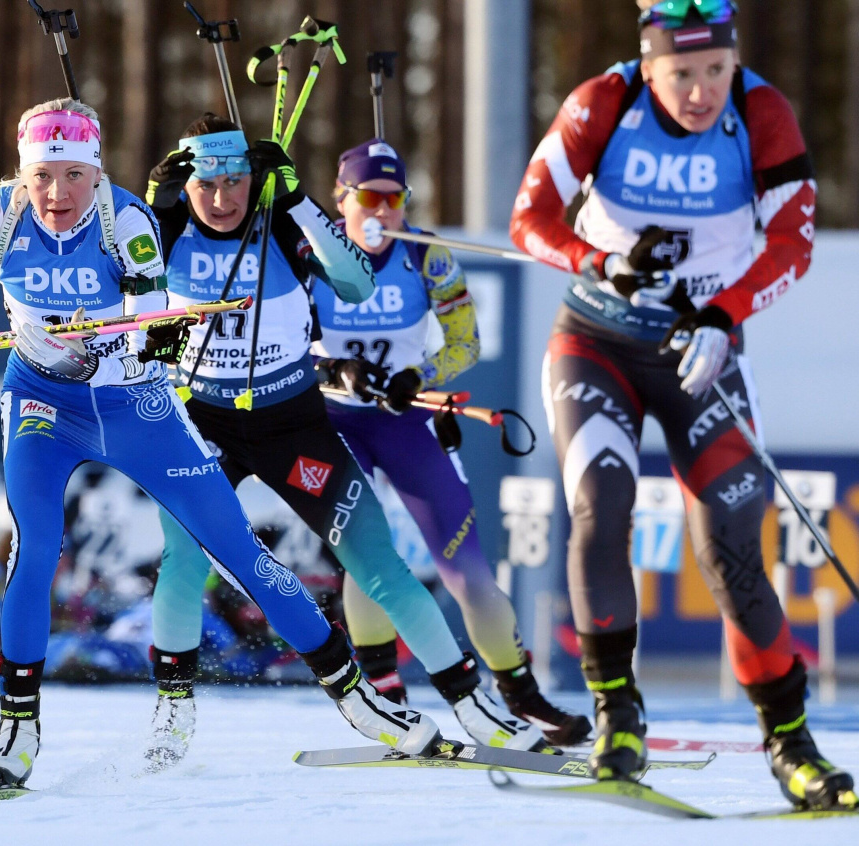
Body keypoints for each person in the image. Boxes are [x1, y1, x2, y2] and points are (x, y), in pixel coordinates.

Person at [0, 97, 443, 789]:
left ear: (96, 174)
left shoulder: (125, 219)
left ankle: (358, 699)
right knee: (33, 550)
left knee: (239, 551)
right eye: (42, 176)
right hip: (43, 403)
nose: (57, 194)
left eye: (74, 175)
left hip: (135, 405)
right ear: (23, 174)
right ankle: (17, 728)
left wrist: (103, 344)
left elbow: (152, 327)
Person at [508, 0, 855, 809]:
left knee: (732, 551)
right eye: (681, 74)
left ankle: (792, 745)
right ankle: (617, 717)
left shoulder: (760, 113)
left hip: (705, 352)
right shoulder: (602, 102)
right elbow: (530, 219)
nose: (700, 93)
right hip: (598, 343)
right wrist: (599, 261)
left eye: (715, 71)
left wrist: (724, 317)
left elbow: (793, 241)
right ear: (648, 64)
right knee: (600, 505)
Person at [144, 114, 547, 767]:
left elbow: (357, 283)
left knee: (378, 564)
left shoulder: (280, 224)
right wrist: (155, 209)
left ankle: (473, 704)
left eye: (235, 181)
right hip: (202, 421)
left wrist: (299, 200)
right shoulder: (164, 232)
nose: (221, 198)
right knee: (183, 560)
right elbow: (115, 294)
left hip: (291, 421)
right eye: (205, 185)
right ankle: (173, 709)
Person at [314, 138, 592, 744]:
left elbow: (466, 342)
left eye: (395, 199)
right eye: (369, 197)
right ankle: (386, 691)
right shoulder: (311, 253)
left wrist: (419, 376)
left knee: (466, 567)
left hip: (403, 418)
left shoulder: (426, 254)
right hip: (336, 422)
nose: (383, 211)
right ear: (341, 198)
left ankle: (523, 695)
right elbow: (279, 343)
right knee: (367, 553)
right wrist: (331, 370)